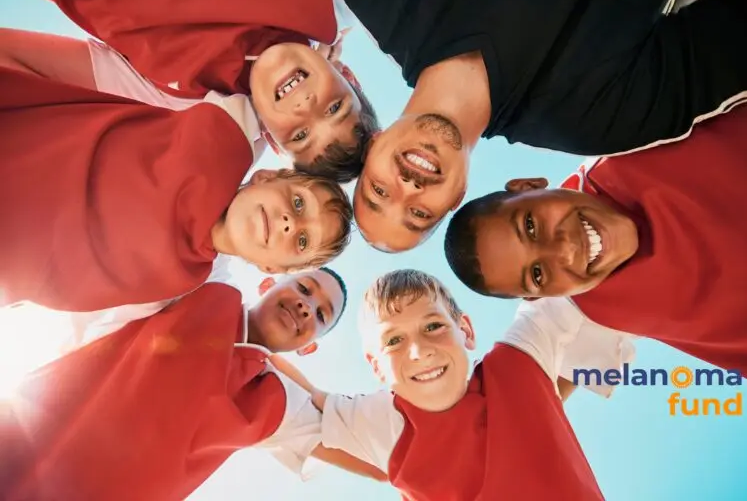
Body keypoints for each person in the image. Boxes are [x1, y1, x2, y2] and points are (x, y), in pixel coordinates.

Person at [338, 0, 747, 251]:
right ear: (456, 198)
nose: (407, 190)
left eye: (379, 191)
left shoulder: (382, 0)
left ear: (372, 142)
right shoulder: (595, 120)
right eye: (418, 214)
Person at [444, 98, 747, 387]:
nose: (565, 250)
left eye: (531, 225)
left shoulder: (635, 130)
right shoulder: (583, 311)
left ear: (528, 186)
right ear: (535, 296)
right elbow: (522, 412)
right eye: (538, 274)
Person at [0, 268, 388, 500]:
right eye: (304, 288)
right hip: (17, 447)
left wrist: (315, 393)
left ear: (310, 346)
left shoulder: (276, 403)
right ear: (268, 281)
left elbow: (378, 458)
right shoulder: (201, 288)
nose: (307, 306)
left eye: (321, 314)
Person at [0, 67, 352, 312]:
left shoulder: (183, 288)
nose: (291, 222)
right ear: (266, 178)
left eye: (302, 241)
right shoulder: (230, 129)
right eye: (298, 203)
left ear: (271, 268)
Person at [273, 269, 607, 500]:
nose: (419, 352)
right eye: (394, 341)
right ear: (377, 367)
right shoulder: (381, 421)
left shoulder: (520, 358)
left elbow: (581, 283)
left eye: (433, 326)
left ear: (467, 331)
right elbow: (301, 400)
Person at [28, 0, 380, 182]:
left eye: (300, 136)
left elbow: (30, 68)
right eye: (335, 108)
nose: (308, 107)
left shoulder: (178, 98)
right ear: (347, 76)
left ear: (271, 139)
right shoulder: (329, 1)